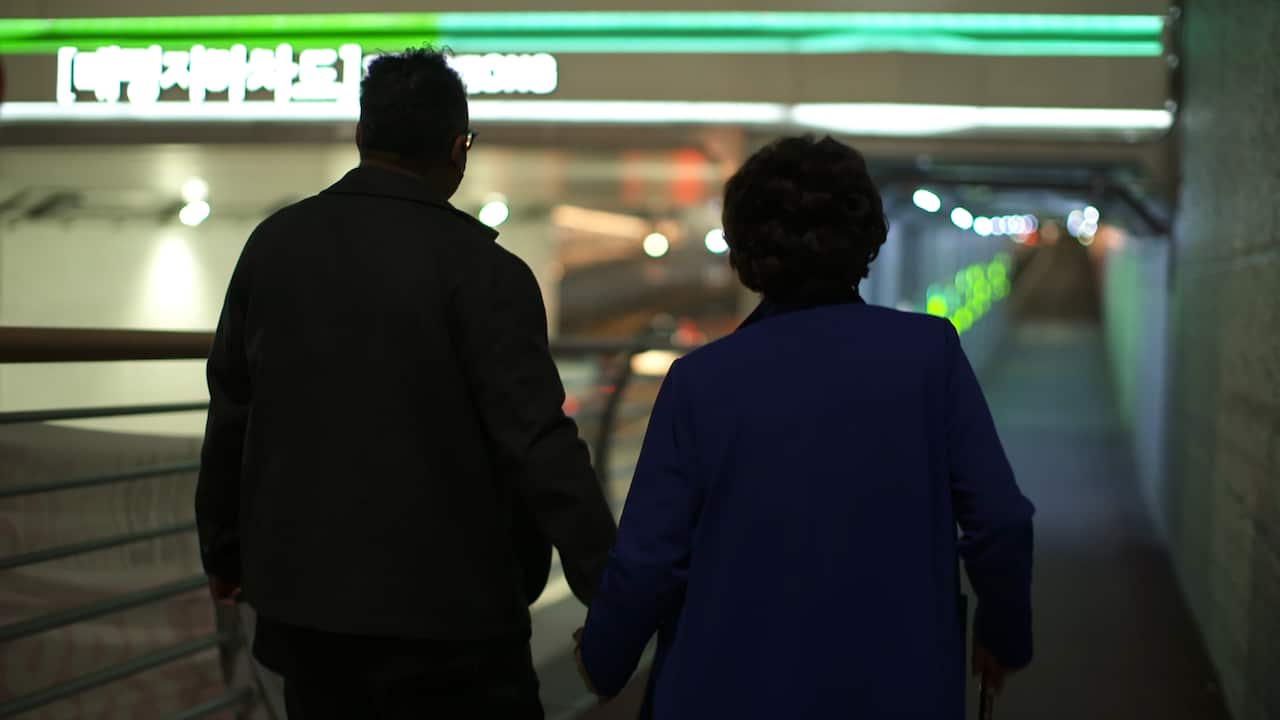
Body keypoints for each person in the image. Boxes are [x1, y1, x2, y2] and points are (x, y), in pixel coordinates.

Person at [195, 48, 617, 719]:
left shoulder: (274, 247)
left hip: (309, 616)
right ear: (459, 149)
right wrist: (610, 584)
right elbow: (537, 440)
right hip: (456, 624)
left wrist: (223, 549)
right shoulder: (485, 273)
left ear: (363, 137)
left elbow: (233, 409)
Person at [576, 136, 1035, 718]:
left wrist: (602, 659)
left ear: (745, 250)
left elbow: (648, 561)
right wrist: (1003, 636)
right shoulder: (928, 356)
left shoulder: (701, 383)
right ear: (867, 238)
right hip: (897, 690)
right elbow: (1000, 521)